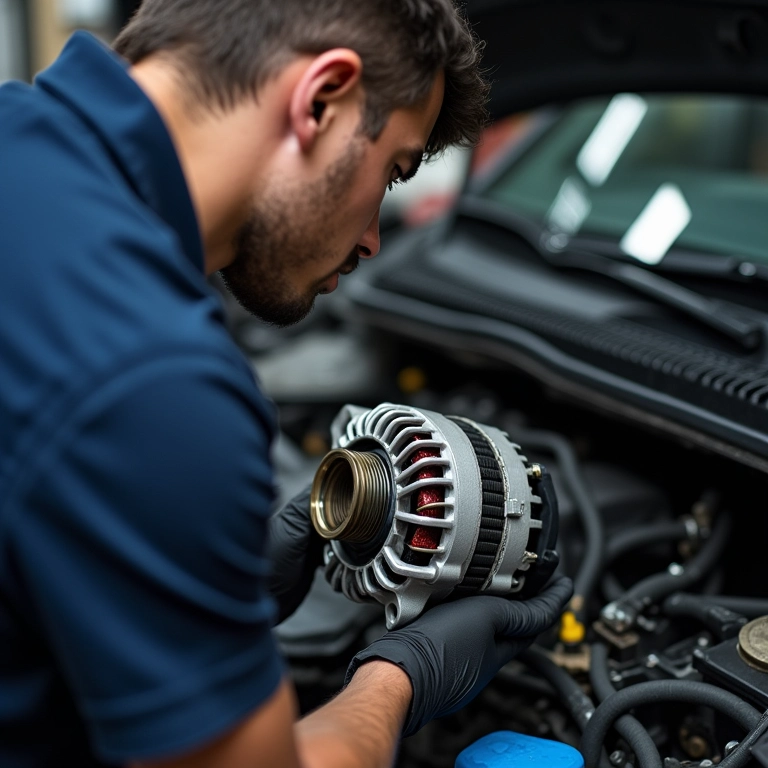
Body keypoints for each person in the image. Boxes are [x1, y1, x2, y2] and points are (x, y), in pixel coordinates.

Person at [0, 1, 573, 766]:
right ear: (322, 98)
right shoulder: (156, 380)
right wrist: (399, 678)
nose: (374, 237)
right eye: (394, 170)